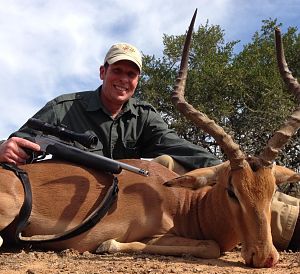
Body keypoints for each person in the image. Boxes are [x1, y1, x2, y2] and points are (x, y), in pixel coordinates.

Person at [0, 42, 298, 251]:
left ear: (137, 80)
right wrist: (6, 146)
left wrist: (237, 168)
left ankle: (290, 218)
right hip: (79, 194)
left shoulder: (143, 115)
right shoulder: (64, 108)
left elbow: (181, 148)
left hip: (126, 191)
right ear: (103, 72)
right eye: (117, 71)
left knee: (175, 164)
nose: (123, 79)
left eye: (131, 74)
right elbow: (21, 139)